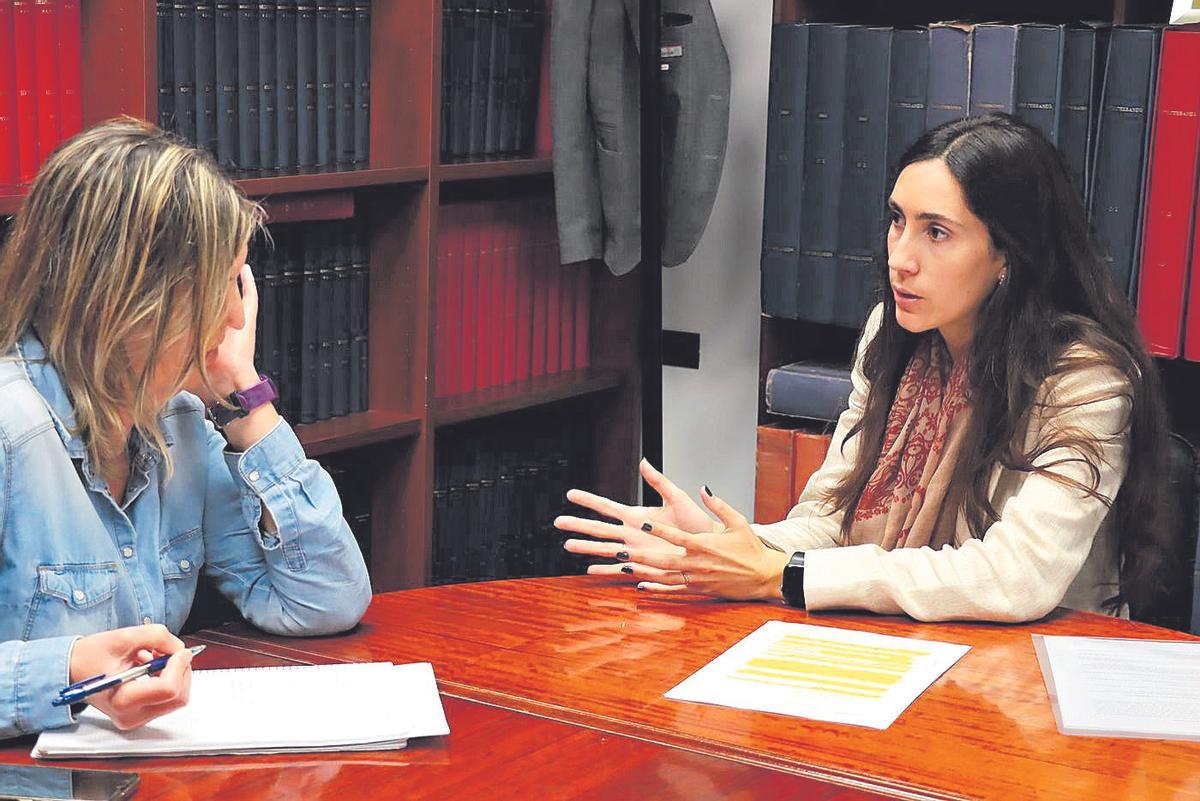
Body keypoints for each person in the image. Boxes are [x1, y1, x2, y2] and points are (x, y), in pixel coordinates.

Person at [557, 113, 1172, 623]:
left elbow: (1015, 579)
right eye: (897, 221)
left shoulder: (1086, 379)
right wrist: (720, 548)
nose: (900, 258)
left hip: (1029, 680)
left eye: (937, 233)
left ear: (1008, 254)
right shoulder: (894, 334)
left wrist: (780, 572)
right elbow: (828, 523)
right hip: (903, 650)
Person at [0, 118, 372, 739]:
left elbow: (323, 601)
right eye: (223, 285)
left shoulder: (180, 421)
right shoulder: (11, 430)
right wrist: (65, 672)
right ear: (134, 295)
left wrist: (246, 399)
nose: (234, 315)